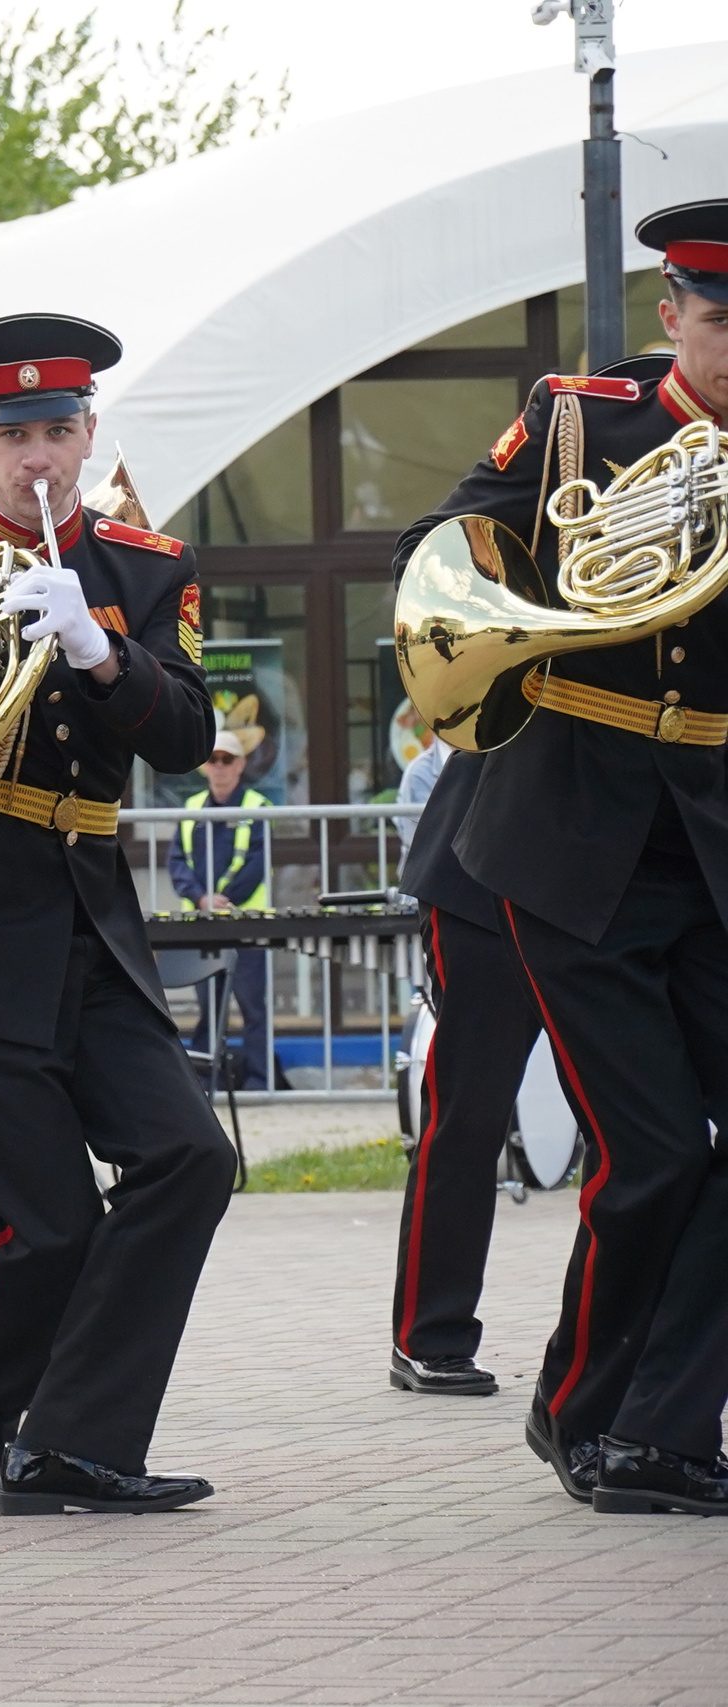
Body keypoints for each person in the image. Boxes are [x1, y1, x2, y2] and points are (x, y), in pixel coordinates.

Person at [388, 199, 728, 1513]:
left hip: (707, 839)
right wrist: (568, 589)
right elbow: (452, 549)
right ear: (673, 318)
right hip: (568, 831)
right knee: (651, 1152)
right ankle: (585, 1411)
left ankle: (659, 1425)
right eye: (720, 317)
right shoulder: (581, 420)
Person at [0, 314, 234, 1516]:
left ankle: (75, 1440)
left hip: (90, 919)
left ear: (89, 436)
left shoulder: (145, 568)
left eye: (56, 432)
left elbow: (185, 742)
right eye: (11, 434)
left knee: (188, 1159)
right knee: (43, 1217)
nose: (36, 459)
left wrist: (99, 650)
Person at [386, 742, 535, 1398]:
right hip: (483, 875)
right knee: (469, 1115)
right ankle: (430, 1334)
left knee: (645, 1129)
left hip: (602, 878)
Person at [167, 725, 273, 1091]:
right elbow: (177, 862)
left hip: (247, 923)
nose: (221, 766)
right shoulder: (191, 809)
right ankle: (204, 1086)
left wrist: (225, 899)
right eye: (214, 760)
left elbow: (259, 863)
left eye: (228, 759)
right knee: (209, 1009)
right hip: (203, 924)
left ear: (241, 764)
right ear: (205, 766)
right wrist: (201, 899)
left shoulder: (258, 807)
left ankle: (260, 1081)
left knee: (252, 1008)